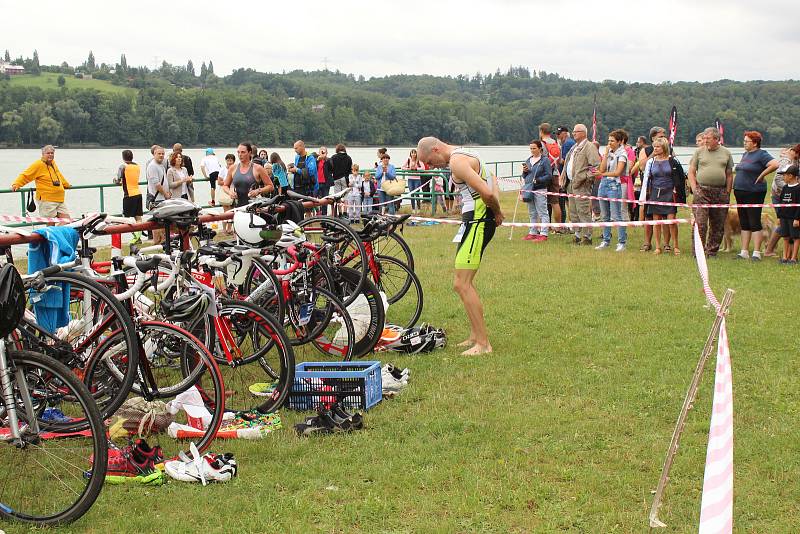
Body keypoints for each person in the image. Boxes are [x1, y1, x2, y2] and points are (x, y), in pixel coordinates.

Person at [417, 136, 504, 356]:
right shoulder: (463, 154)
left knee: (462, 283)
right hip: (472, 221)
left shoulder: (457, 161)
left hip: (477, 221)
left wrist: (497, 212)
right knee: (462, 282)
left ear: (435, 149)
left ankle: (483, 344)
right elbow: (493, 178)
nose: (430, 166)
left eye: (429, 161)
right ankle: (475, 336)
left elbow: (487, 192)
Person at [731, 130, 778, 261]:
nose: (744, 143)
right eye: (744, 141)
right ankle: (744, 251)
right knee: (744, 222)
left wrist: (762, 175)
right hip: (741, 191)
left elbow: (775, 164)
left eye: (747, 141)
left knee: (754, 221)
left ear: (755, 143)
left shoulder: (761, 154)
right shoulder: (746, 154)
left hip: (754, 192)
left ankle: (756, 252)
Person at [688, 127, 734, 257]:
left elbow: (729, 174)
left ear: (716, 139)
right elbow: (691, 171)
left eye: (708, 138)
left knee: (718, 225)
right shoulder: (699, 152)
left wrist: (727, 192)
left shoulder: (726, 153)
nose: (705, 141)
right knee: (700, 223)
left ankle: (711, 251)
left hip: (720, 192)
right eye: (704, 138)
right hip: (702, 191)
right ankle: (697, 251)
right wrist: (694, 189)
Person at [642, 137, 686, 255]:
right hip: (655, 193)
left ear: (664, 148)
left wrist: (679, 194)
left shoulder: (673, 161)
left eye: (658, 147)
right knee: (656, 221)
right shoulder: (651, 162)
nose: (655, 149)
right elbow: (648, 177)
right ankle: (657, 246)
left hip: (669, 193)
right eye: (654, 146)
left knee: (671, 221)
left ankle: (675, 245)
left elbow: (680, 178)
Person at [560, 124, 601, 245]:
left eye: (576, 132)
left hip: (582, 185)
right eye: (573, 132)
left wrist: (585, 178)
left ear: (583, 133)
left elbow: (595, 166)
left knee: (583, 211)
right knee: (573, 211)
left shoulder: (589, 147)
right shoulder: (574, 147)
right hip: (570, 184)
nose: (573, 134)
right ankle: (577, 236)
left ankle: (587, 237)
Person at [633, 127, 671, 251]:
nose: (663, 137)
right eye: (660, 135)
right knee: (649, 216)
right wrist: (653, 154)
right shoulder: (646, 150)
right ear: (653, 137)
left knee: (666, 216)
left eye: (664, 135)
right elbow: (642, 166)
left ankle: (666, 244)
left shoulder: (668, 149)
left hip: (666, 188)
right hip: (650, 187)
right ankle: (647, 242)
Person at [12, 145, 72, 221]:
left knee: (67, 221)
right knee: (50, 224)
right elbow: (26, 175)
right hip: (47, 200)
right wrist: (16, 184)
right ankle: (51, 232)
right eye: (48, 153)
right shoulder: (38, 164)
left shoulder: (53, 163)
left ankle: (56, 232)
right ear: (43, 154)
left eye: (52, 153)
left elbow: (58, 175)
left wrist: (66, 184)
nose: (50, 155)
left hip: (59, 199)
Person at [592, 130, 628, 251]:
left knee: (616, 214)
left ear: (619, 142)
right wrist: (606, 154)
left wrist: (602, 174)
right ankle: (605, 240)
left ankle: (622, 242)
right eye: (608, 141)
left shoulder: (622, 155)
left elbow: (617, 172)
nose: (609, 143)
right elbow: (601, 168)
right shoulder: (609, 153)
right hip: (603, 185)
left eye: (612, 141)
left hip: (614, 185)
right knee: (604, 215)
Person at [765, 144, 800, 257]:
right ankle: (769, 249)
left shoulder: (795, 160)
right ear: (796, 152)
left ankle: (789, 253)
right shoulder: (786, 161)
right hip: (781, 196)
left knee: (790, 223)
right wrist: (791, 187)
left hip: (792, 196)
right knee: (784, 223)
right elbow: (778, 179)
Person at [223, 142, 274, 208]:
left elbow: (270, 186)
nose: (240, 155)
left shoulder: (258, 168)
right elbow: (225, 186)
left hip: (254, 208)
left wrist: (258, 191)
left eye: (243, 152)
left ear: (250, 153)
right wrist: (230, 192)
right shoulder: (233, 168)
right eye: (238, 152)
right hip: (237, 207)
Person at [521, 140, 552, 242]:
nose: (532, 150)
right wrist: (525, 172)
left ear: (540, 149)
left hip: (540, 189)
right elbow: (525, 176)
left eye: (534, 148)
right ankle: (533, 232)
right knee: (532, 212)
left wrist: (539, 180)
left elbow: (549, 176)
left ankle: (544, 233)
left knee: (543, 211)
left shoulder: (545, 160)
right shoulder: (528, 160)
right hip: (529, 189)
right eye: (531, 148)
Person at [115, 149, 144, 244]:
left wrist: (116, 181)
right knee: (138, 217)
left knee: (126, 218)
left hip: (129, 194)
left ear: (123, 158)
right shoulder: (137, 166)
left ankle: (135, 237)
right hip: (138, 193)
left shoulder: (123, 166)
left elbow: (118, 180)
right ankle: (138, 237)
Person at [776, 164, 800, 264]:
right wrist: (779, 216)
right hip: (784, 217)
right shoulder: (785, 188)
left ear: (790, 176)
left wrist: (797, 218)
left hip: (793, 218)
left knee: (795, 237)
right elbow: (781, 202)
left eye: (784, 175)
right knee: (785, 236)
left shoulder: (798, 189)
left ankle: (793, 258)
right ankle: (785, 257)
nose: (783, 177)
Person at [539, 123, 562, 228]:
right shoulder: (556, 143)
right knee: (555, 202)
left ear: (541, 131)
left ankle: (543, 226)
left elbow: (540, 161)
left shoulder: (542, 144)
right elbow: (560, 160)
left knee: (541, 202)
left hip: (545, 175)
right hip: (555, 174)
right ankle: (558, 227)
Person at [146, 146, 170, 244]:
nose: (161, 155)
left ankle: (163, 243)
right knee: (156, 224)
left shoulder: (161, 165)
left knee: (162, 223)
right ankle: (157, 243)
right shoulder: (152, 166)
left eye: (162, 154)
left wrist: (167, 193)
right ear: (154, 154)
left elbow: (163, 182)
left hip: (162, 198)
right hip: (156, 199)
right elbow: (156, 184)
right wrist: (166, 194)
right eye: (159, 154)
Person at [556, 126, 575, 226]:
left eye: (559, 134)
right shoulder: (570, 142)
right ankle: (571, 222)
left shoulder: (567, 143)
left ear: (565, 133)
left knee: (567, 201)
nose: (558, 136)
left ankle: (570, 222)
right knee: (568, 201)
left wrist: (556, 159)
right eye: (557, 134)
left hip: (566, 175)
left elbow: (563, 161)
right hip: (569, 174)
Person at [330, 144, 353, 217]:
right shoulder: (348, 158)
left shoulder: (333, 157)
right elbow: (350, 170)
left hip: (336, 178)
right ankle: (345, 212)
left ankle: (339, 213)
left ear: (337, 149)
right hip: (345, 178)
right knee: (346, 196)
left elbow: (331, 168)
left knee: (338, 196)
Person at [402, 149, 426, 213]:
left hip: (417, 179)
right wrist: (409, 169)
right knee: (411, 193)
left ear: (416, 154)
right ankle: (413, 208)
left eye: (414, 153)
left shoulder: (419, 161)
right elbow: (402, 167)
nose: (413, 154)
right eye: (412, 153)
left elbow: (423, 168)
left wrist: (416, 169)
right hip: (410, 179)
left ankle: (418, 208)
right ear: (410, 154)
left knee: (417, 194)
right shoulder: (408, 160)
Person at [218, 153, 236, 233]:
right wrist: (227, 181)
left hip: (233, 190)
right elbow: (219, 181)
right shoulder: (222, 169)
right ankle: (224, 229)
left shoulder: (236, 169)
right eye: (228, 160)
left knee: (232, 210)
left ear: (234, 161)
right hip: (225, 191)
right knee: (226, 210)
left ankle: (229, 228)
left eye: (231, 160)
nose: (229, 162)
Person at [315, 146, 334, 214]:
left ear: (327, 152)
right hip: (317, 183)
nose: (322, 152)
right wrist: (318, 159)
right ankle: (318, 213)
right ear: (319, 152)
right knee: (316, 199)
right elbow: (313, 167)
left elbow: (332, 168)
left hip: (326, 183)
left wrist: (325, 158)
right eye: (321, 151)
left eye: (324, 151)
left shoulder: (329, 160)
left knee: (325, 199)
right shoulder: (316, 159)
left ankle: (324, 215)